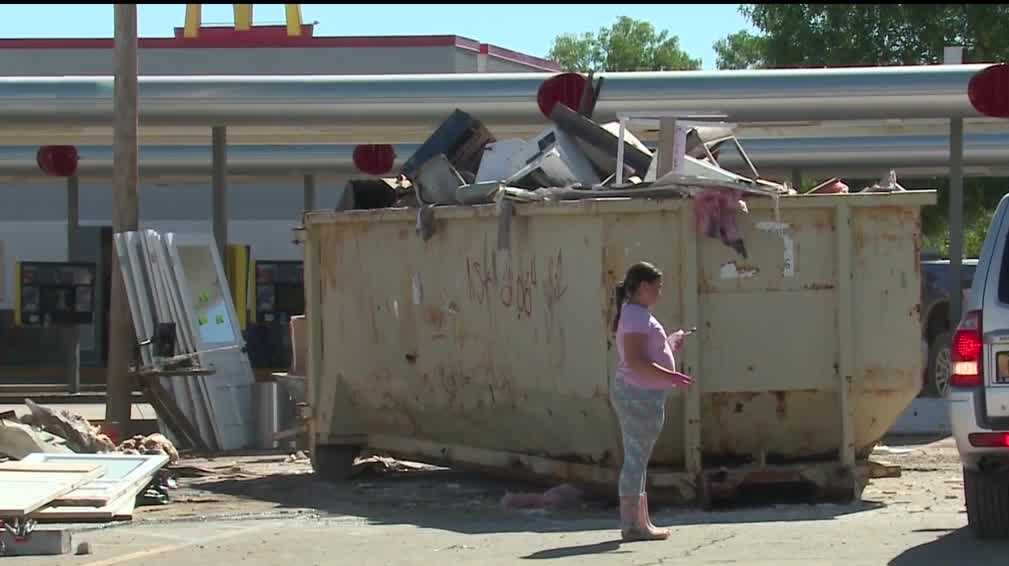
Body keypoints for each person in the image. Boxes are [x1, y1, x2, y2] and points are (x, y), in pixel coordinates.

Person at [611, 261, 693, 542]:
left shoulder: (636, 314)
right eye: (657, 288)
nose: (659, 293)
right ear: (642, 287)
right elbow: (635, 361)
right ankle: (632, 525)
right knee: (636, 460)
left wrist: (669, 345)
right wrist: (671, 375)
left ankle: (640, 522)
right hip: (638, 394)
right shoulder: (635, 315)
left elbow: (644, 353)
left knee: (639, 458)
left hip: (641, 393)